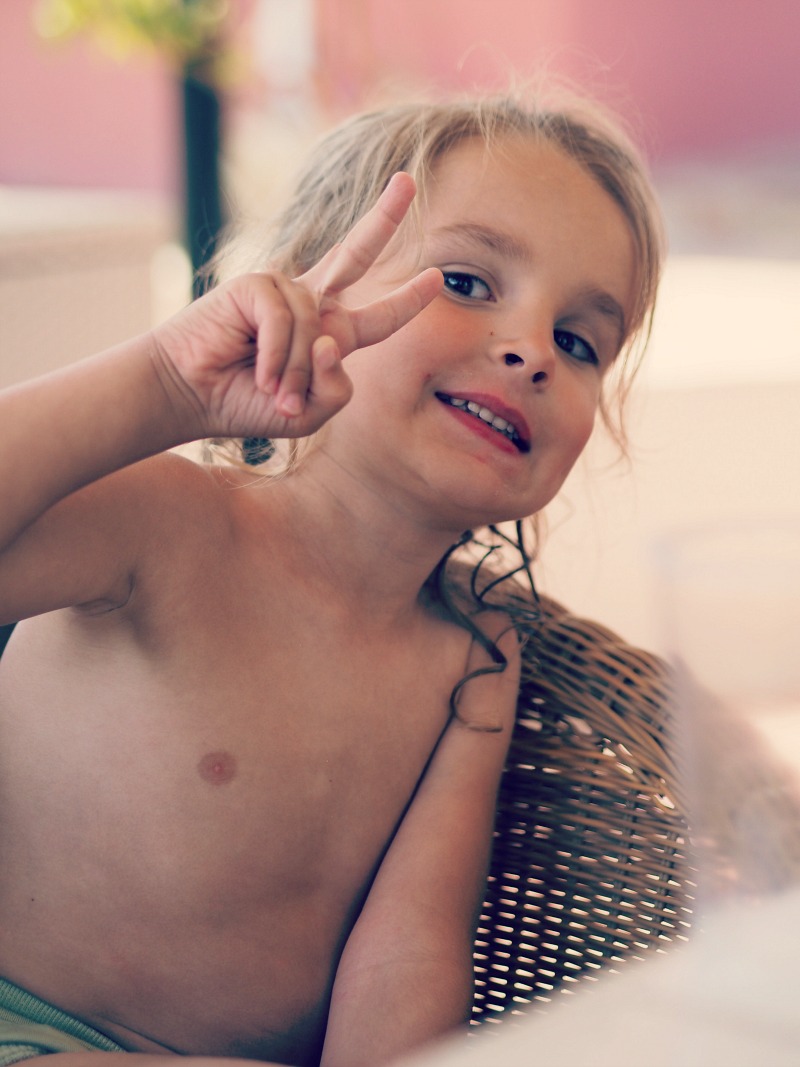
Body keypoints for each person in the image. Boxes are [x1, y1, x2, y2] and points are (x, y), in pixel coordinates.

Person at [0, 88, 663, 1067]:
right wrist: (168, 384)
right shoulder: (168, 524)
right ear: (306, 284)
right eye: (467, 281)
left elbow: (406, 951)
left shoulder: (473, 661)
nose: (531, 352)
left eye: (578, 342)